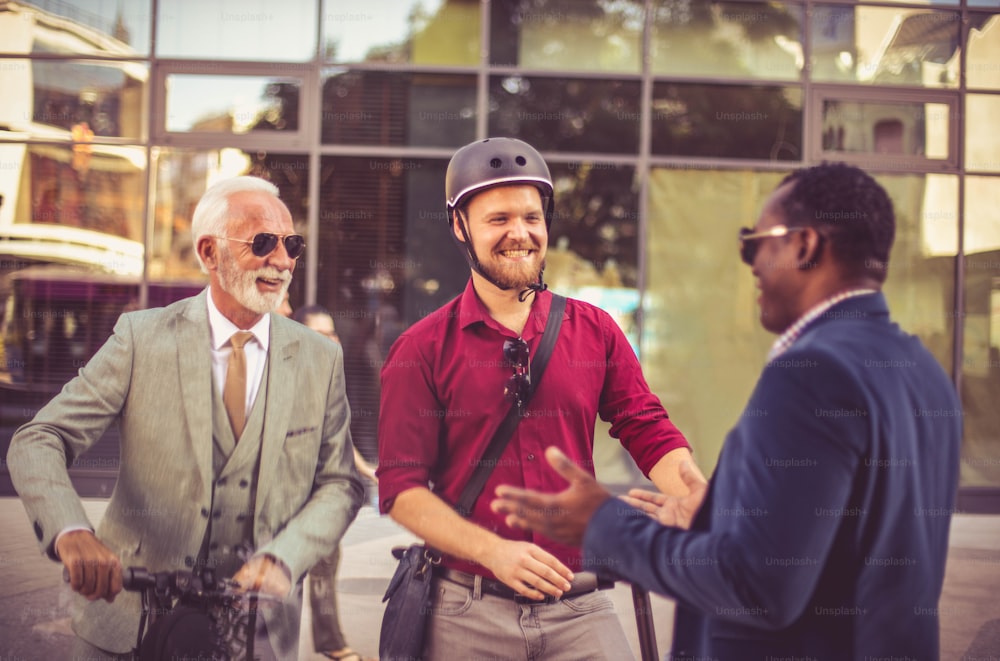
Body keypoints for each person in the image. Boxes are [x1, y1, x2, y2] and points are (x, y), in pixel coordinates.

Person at [491, 163, 963, 660]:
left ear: (804, 246)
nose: (751, 262)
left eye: (754, 242)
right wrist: (718, 523)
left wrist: (603, 525)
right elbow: (835, 545)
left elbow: (759, 586)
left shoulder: (812, 372)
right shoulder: (922, 370)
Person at [6, 176, 365, 660]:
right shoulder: (141, 338)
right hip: (127, 624)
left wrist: (287, 555)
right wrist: (70, 530)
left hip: (256, 634)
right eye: (262, 243)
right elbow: (39, 437)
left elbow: (341, 483)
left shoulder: (321, 358)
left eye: (291, 244)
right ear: (209, 252)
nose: (281, 261)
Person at [376, 137, 703, 660]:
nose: (520, 234)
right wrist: (495, 553)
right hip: (466, 610)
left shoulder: (594, 329)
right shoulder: (421, 349)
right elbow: (401, 488)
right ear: (460, 227)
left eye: (532, 217)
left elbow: (644, 423)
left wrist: (694, 494)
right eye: (498, 219)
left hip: (580, 603)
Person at [292, 304, 378, 661]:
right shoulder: (286, 378)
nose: (331, 340)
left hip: (322, 488)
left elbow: (340, 434)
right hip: (288, 488)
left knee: (326, 560)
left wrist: (367, 469)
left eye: (333, 333)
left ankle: (330, 642)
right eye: (321, 333)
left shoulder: (331, 378)